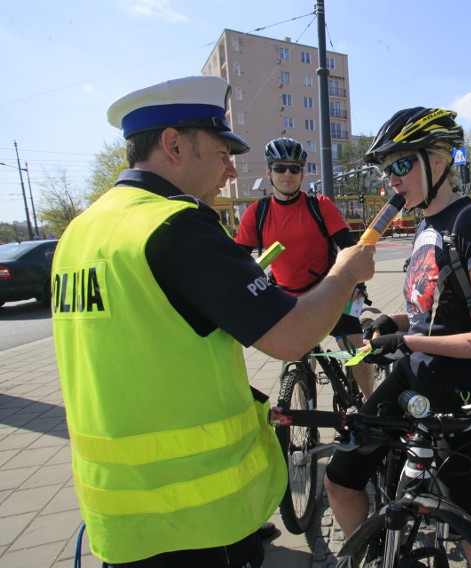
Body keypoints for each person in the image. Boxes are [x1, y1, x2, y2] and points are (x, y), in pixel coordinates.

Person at [51, 75, 375, 567]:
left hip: (118, 510)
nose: (229, 170)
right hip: (194, 514)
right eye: (222, 152)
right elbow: (290, 338)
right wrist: (346, 272)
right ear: (174, 144)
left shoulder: (82, 229)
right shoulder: (173, 225)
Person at [323, 107, 471, 568]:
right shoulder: (425, 223)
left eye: (400, 165)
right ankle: (373, 557)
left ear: (439, 159)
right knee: (341, 478)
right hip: (414, 377)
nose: (390, 179)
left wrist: (410, 342)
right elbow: (432, 315)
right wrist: (396, 323)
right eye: (385, 169)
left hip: (462, 391)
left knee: (467, 519)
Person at [235, 137, 376, 397]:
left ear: (302, 173)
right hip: (286, 296)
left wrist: (356, 284)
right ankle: (305, 420)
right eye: (280, 168)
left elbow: (348, 247)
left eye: (294, 169)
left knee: (356, 353)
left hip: (329, 291)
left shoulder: (319, 205)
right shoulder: (257, 213)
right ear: (268, 172)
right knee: (296, 359)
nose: (287, 174)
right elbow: (239, 262)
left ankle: (372, 405)